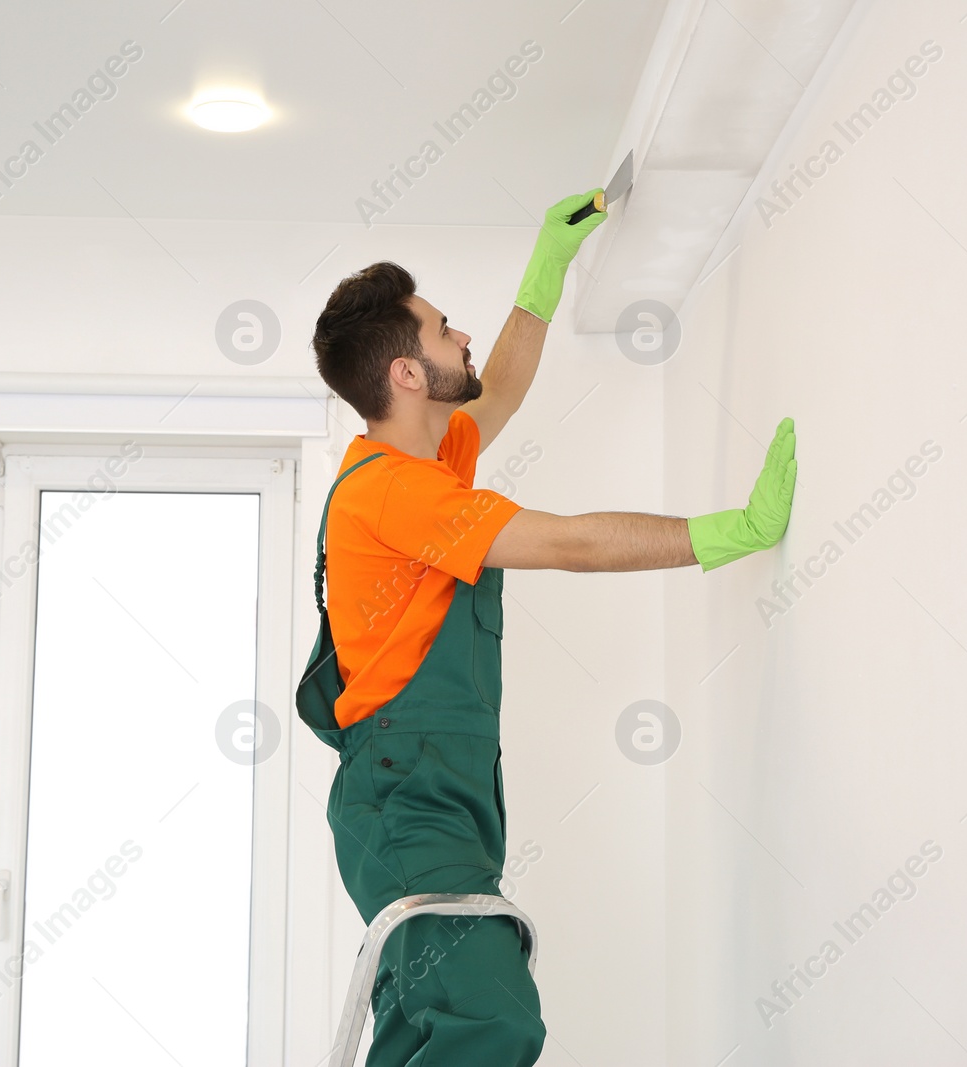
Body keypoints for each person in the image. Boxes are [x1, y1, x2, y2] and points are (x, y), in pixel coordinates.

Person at [297, 190, 797, 1066]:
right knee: (492, 1021)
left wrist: (546, 270)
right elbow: (568, 543)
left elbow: (506, 388)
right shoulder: (398, 492)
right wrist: (727, 532)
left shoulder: (421, 460)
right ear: (406, 375)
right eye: (442, 326)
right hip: (408, 800)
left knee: (427, 1025)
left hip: (433, 792)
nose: (462, 337)